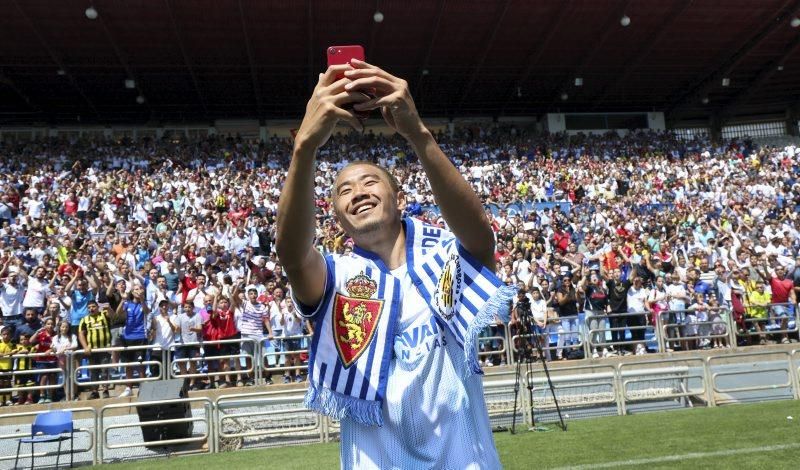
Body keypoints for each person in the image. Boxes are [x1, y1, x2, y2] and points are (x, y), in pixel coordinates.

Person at [276, 61, 513, 468]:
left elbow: (480, 236)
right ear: (337, 218)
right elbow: (293, 256)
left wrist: (417, 134)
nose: (357, 192)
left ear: (398, 198)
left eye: (370, 181)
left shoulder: (445, 258)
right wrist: (305, 148)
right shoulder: (337, 277)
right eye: (343, 191)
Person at [78, 300, 112, 399]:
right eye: (89, 307)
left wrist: (108, 308)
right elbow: (81, 334)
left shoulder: (104, 315)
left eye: (93, 306)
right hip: (92, 350)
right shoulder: (84, 319)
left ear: (97, 307)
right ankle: (94, 392)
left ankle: (105, 390)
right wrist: (85, 347)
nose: (91, 309)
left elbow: (114, 317)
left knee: (104, 370)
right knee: (93, 371)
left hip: (104, 349)